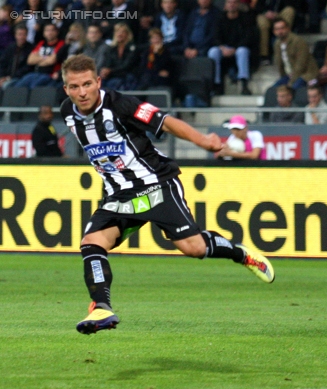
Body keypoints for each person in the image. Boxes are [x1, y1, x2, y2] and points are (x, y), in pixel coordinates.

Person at [59, 54, 275, 335]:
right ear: (66, 89)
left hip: (156, 184)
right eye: (74, 87)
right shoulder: (67, 110)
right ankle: (102, 306)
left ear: (98, 82)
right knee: (91, 243)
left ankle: (240, 254)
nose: (82, 92)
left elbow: (166, 121)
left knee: (194, 249)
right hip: (119, 195)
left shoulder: (122, 105)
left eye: (87, 84)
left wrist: (202, 141)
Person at [207, 0, 257, 95]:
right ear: (225, 5)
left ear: (238, 5)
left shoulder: (245, 18)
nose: (232, 5)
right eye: (229, 2)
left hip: (239, 47)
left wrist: (235, 48)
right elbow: (216, 37)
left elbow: (248, 37)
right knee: (213, 52)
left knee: (243, 51)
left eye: (234, 2)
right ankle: (216, 84)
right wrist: (222, 48)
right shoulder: (220, 18)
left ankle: (244, 83)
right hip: (224, 48)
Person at [12, 22, 64, 89]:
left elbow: (52, 60)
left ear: (57, 32)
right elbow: (30, 60)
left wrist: (38, 59)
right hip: (35, 73)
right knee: (17, 87)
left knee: (33, 88)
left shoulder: (61, 43)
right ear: (44, 33)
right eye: (47, 30)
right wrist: (46, 58)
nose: (49, 32)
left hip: (49, 75)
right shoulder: (41, 43)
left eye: (52, 30)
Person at [272, 18, 319, 90]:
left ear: (288, 28)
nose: (280, 31)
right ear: (274, 31)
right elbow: (280, 65)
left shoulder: (298, 41)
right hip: (289, 76)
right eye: (277, 29)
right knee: (272, 90)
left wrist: (291, 82)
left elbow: (301, 65)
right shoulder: (277, 44)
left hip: (306, 75)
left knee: (291, 90)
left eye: (282, 28)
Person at [100, 22, 139, 91]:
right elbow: (107, 63)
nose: (120, 34)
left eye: (123, 32)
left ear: (127, 34)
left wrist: (110, 71)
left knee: (116, 83)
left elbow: (127, 66)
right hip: (113, 75)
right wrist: (104, 71)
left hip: (127, 76)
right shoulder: (111, 49)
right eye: (117, 31)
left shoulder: (132, 48)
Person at [0, 24, 33, 89]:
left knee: (5, 86)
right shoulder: (10, 48)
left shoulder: (31, 49)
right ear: (15, 35)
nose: (22, 37)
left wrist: (9, 78)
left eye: (24, 34)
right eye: (20, 34)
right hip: (5, 77)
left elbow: (27, 68)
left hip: (21, 79)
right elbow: (2, 63)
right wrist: (2, 77)